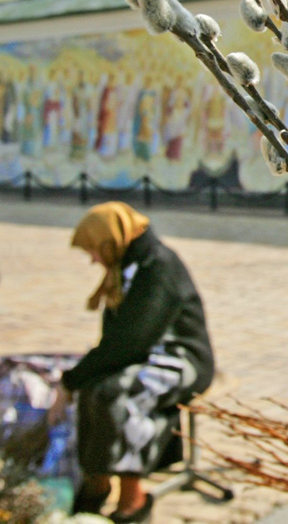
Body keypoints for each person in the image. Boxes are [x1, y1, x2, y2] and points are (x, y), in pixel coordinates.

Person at [48, 202, 215, 523]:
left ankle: (133, 499)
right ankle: (97, 481)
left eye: (95, 251)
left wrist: (70, 380)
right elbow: (122, 343)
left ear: (112, 240)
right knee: (94, 389)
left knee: (119, 393)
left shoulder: (157, 267)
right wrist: (80, 380)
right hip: (147, 354)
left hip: (183, 358)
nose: (93, 260)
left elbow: (130, 341)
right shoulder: (130, 265)